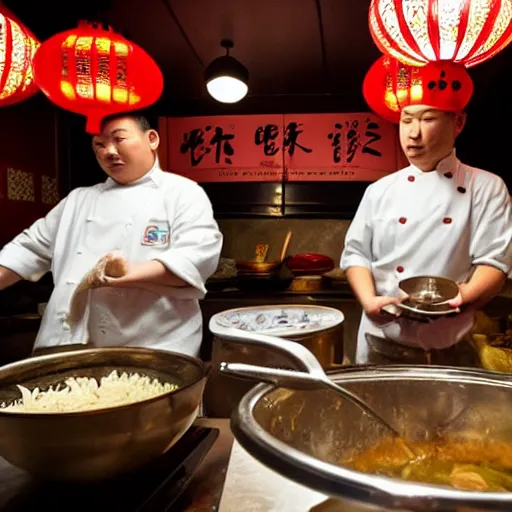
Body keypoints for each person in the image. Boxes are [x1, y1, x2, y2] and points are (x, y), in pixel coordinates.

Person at [0, 112, 223, 357]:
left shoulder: (182, 193)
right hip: (67, 344)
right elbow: (28, 249)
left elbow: (195, 258)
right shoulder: (78, 199)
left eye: (119, 139)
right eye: (100, 144)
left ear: (152, 139)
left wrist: (122, 274)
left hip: (153, 346)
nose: (109, 151)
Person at [341, 62, 512, 363]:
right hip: (380, 336)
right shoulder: (379, 190)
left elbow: (494, 264)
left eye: (428, 119)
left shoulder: (486, 187)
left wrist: (465, 297)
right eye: (407, 121)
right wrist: (369, 300)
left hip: (448, 340)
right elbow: (356, 255)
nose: (413, 134)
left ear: (458, 123)